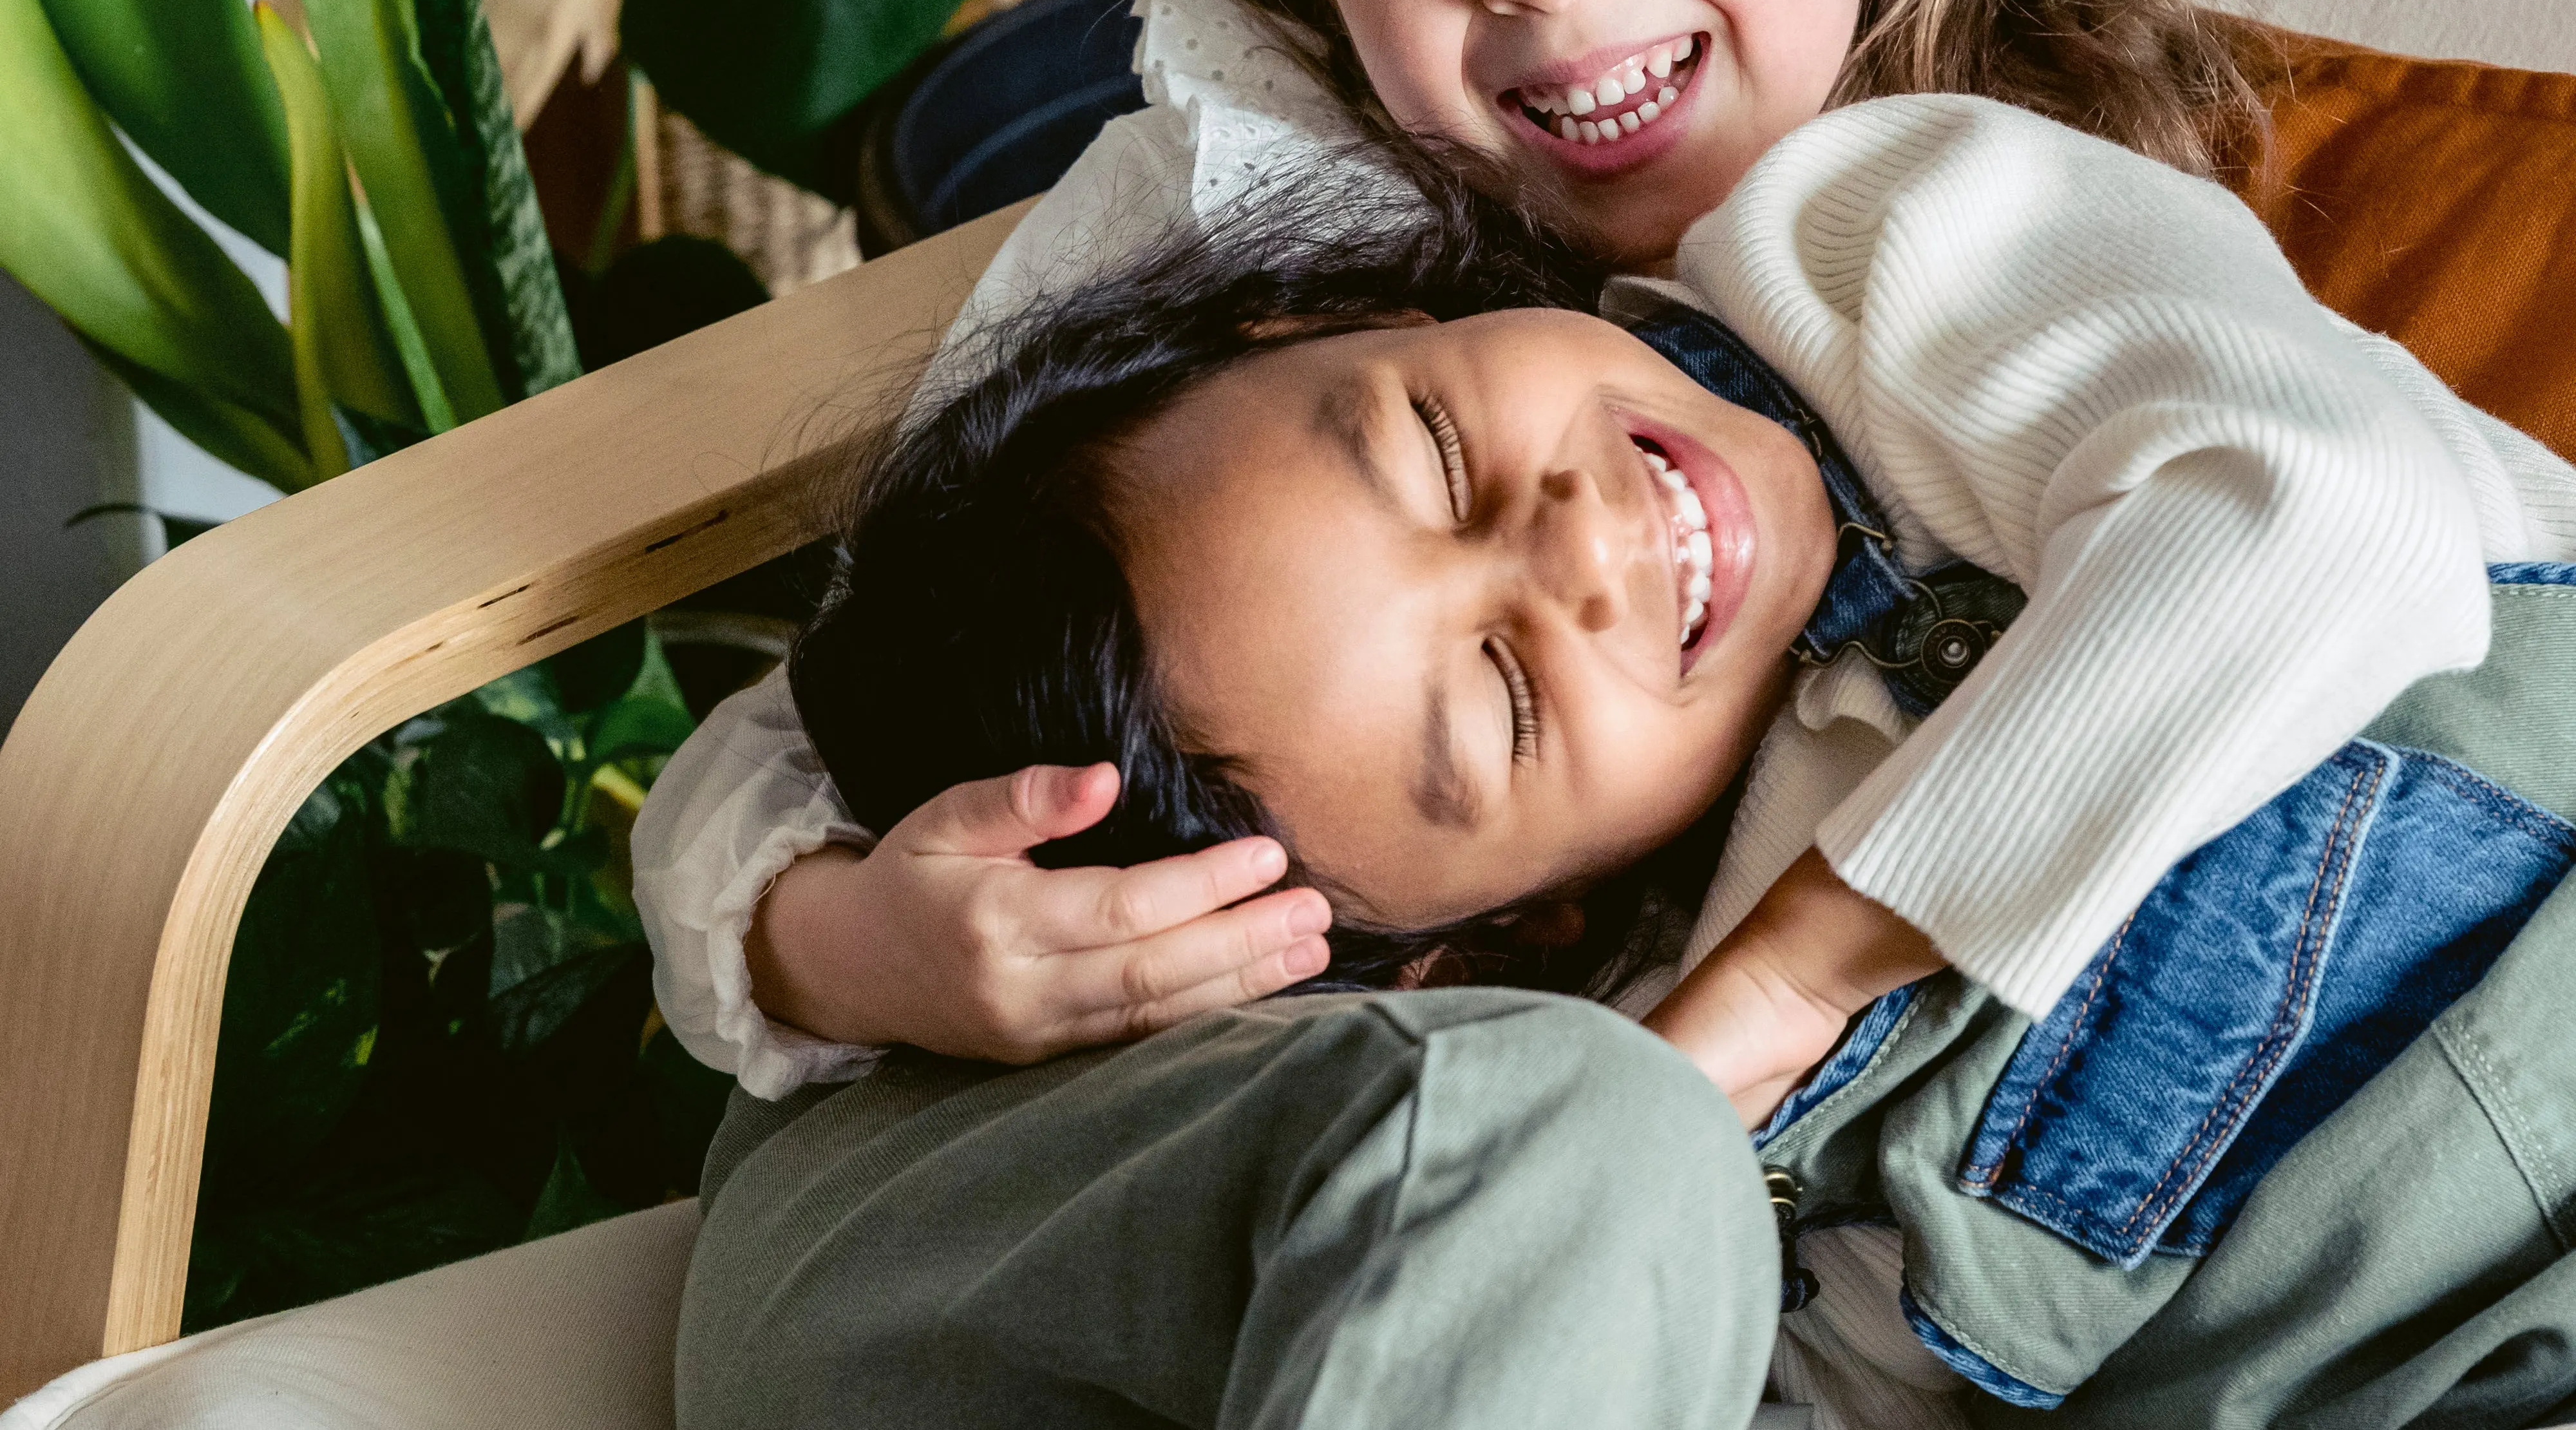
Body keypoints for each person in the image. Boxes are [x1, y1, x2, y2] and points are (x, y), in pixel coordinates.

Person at [686, 175, 2576, 1429]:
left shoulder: (1863, 257)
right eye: (1504, 695)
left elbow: (2332, 507)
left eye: (1431, 437)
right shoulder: (1577, 1048)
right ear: (1498, 928)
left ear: (1309, 323)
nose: (1574, 536)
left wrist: (1780, 988)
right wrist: (829, 938)